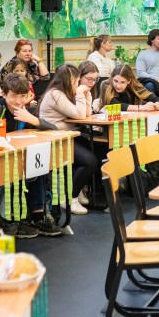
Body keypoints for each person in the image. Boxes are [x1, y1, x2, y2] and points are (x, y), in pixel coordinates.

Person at [0, 73, 61, 238]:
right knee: (15, 175)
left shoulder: (25, 111)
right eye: (14, 96)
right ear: (4, 94)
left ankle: (37, 216)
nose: (18, 101)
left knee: (38, 167)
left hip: (17, 158)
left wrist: (33, 119)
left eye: (23, 96)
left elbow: (54, 129)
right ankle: (11, 219)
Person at [36, 64, 101, 216]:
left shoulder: (64, 93)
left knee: (98, 150)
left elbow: (86, 113)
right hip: (56, 139)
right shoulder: (55, 94)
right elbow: (80, 115)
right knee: (89, 161)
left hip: (69, 135)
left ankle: (78, 190)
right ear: (71, 79)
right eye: (77, 81)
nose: (78, 84)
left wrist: (86, 95)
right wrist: (80, 94)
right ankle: (70, 197)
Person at [95, 64, 159, 112]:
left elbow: (155, 99)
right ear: (112, 77)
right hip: (108, 122)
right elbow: (115, 105)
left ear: (129, 81)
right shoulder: (105, 84)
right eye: (115, 81)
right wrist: (141, 107)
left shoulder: (134, 85)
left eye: (122, 82)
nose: (118, 85)